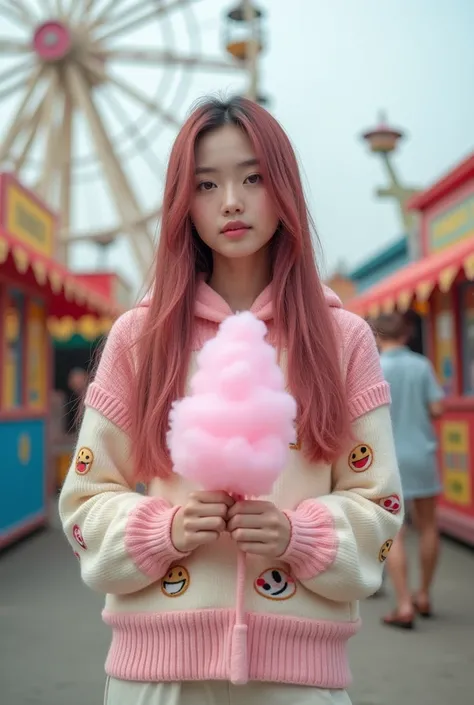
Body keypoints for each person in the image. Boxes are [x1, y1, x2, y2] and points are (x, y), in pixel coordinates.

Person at [59, 97, 403, 705]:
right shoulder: (140, 339)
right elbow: (84, 501)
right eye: (206, 184)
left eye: (253, 178)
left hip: (300, 672)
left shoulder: (342, 339)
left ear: (285, 191)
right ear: (181, 203)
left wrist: (297, 536)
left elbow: (380, 504)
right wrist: (162, 530)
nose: (232, 201)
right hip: (157, 668)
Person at [375, 312, 444, 629]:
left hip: (388, 458)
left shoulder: (374, 367)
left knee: (395, 531)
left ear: (378, 337)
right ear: (405, 335)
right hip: (422, 455)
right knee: (429, 526)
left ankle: (403, 605)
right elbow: (437, 408)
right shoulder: (421, 365)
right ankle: (424, 594)